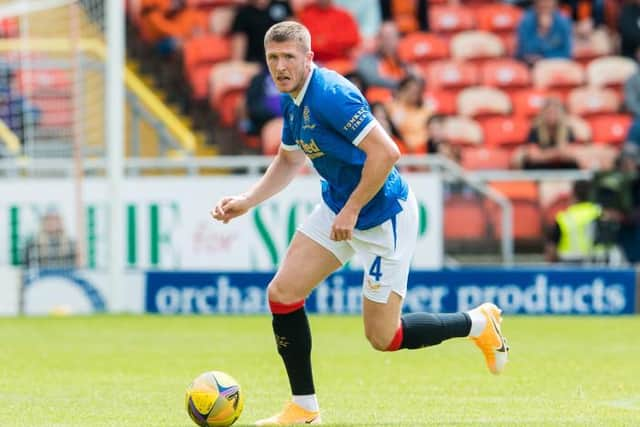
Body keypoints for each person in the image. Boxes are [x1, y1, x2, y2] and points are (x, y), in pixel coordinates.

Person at [211, 21, 509, 426]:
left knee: (383, 338)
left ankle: (478, 322)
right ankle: (304, 409)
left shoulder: (331, 95)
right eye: (273, 59)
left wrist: (351, 210)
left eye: (288, 58)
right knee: (282, 292)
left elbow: (387, 153)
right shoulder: (292, 100)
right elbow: (288, 159)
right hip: (341, 208)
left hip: (384, 217)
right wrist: (248, 201)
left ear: (308, 59)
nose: (280, 66)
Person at [512, 97, 580, 169]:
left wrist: (544, 154)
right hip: (541, 168)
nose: (552, 115)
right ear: (543, 113)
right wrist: (557, 152)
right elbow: (534, 156)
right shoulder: (536, 129)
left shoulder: (567, 130)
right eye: (549, 112)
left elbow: (570, 154)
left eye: (555, 112)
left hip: (561, 168)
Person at [545, 180, 603, 263]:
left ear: (574, 195)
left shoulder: (564, 218)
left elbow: (551, 250)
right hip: (599, 266)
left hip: (568, 266)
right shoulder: (602, 214)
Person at [515, 0, 573, 66]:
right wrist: (542, 32)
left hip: (559, 64)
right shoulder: (526, 21)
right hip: (533, 66)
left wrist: (545, 57)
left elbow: (566, 52)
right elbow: (525, 52)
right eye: (542, 1)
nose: (545, 4)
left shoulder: (563, 21)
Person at [357, 21, 411, 90]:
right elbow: (372, 80)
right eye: (385, 37)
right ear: (377, 39)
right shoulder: (366, 60)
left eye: (392, 37)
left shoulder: (403, 62)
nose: (388, 42)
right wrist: (403, 84)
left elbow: (413, 81)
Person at [385, 74, 431, 154]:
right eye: (409, 89)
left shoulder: (426, 110)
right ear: (402, 89)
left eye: (417, 90)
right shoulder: (392, 106)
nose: (413, 93)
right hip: (397, 149)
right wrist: (401, 102)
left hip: (421, 151)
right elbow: (394, 127)